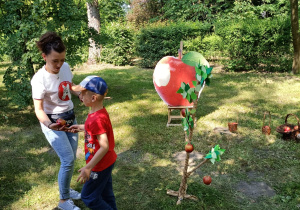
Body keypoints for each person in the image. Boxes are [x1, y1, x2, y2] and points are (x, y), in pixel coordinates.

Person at [31, 31, 81, 210]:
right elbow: (39, 109)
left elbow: (69, 87)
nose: (59, 64)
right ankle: (63, 201)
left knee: (72, 158)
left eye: (62, 60)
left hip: (70, 117)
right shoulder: (39, 79)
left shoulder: (65, 66)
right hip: (52, 122)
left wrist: (80, 93)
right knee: (67, 159)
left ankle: (66, 188)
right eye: (55, 61)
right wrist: (48, 125)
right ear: (44, 56)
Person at [69, 76, 117, 210]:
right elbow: (97, 130)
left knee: (88, 196)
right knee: (106, 194)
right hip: (106, 162)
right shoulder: (99, 112)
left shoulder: (97, 118)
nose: (80, 96)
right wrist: (82, 127)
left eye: (83, 94)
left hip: (99, 165)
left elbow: (104, 146)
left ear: (93, 98)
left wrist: (89, 167)